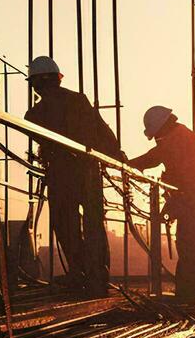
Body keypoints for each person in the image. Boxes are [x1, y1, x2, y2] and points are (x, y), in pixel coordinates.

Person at [24, 56, 122, 295]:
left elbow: (38, 131)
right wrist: (116, 155)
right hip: (89, 170)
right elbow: (103, 129)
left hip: (62, 173)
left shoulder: (35, 114)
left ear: (36, 84)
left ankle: (79, 273)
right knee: (93, 224)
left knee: (66, 223)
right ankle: (97, 275)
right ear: (58, 79)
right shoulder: (79, 100)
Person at [128, 105, 195, 303]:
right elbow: (162, 158)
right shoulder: (180, 135)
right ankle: (193, 288)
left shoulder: (177, 138)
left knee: (187, 242)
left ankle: (188, 291)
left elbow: (155, 157)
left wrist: (129, 164)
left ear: (161, 127)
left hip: (192, 195)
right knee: (191, 241)